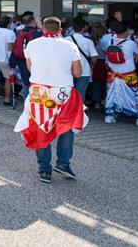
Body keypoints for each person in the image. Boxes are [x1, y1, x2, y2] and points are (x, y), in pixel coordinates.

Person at [15, 17, 85, 183]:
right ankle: (63, 164)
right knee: (66, 127)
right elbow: (77, 73)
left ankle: (44, 169)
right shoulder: (70, 45)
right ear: (60, 29)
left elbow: (30, 67)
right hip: (63, 92)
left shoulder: (32, 44)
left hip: (40, 92)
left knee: (41, 127)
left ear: (42, 28)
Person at [99, 21, 138, 125]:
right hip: (128, 74)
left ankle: (109, 115)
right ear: (126, 32)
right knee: (134, 95)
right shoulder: (130, 43)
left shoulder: (110, 42)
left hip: (113, 74)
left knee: (111, 95)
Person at [67, 18, 98, 101]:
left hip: (68, 70)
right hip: (84, 70)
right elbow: (94, 58)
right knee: (81, 92)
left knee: (67, 92)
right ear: (84, 28)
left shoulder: (65, 40)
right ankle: (79, 110)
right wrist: (92, 65)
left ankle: (69, 109)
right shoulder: (88, 41)